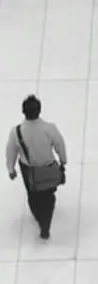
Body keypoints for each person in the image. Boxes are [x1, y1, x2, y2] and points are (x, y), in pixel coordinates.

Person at [6, 95, 67, 241]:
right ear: (39, 110)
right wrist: (63, 160)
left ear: (23, 111)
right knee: (49, 195)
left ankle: (39, 216)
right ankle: (46, 223)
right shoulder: (49, 128)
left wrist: (11, 169)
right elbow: (60, 144)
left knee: (33, 195)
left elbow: (11, 151)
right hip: (48, 168)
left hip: (29, 170)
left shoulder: (17, 132)